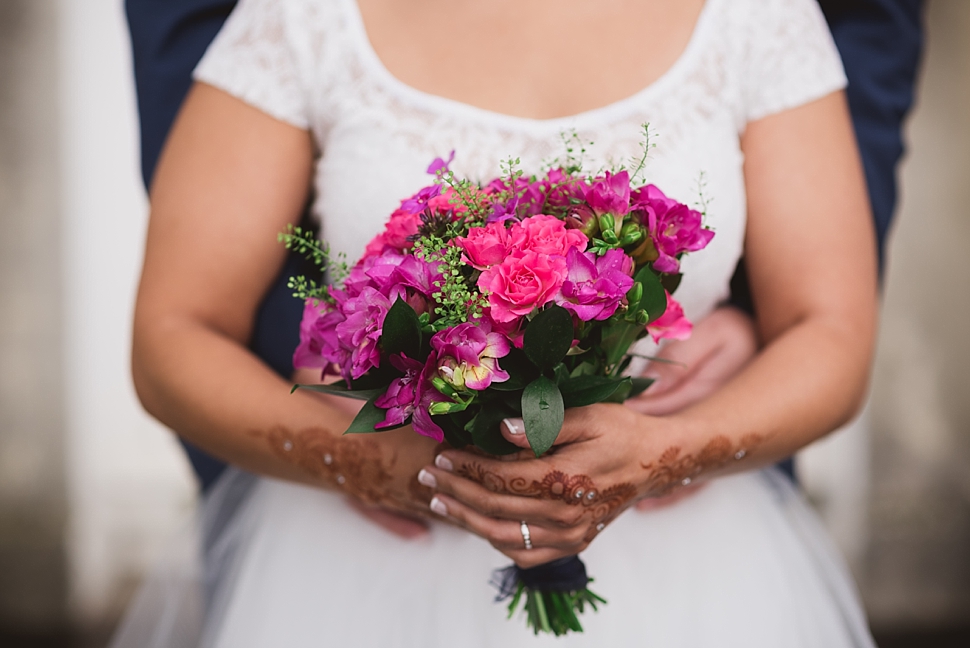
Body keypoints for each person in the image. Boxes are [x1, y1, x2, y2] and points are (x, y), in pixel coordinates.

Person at [115, 0, 890, 645]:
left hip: (690, 562)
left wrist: (662, 455)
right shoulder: (308, 18)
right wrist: (387, 469)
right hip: (361, 571)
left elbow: (831, 330)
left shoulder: (758, 17)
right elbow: (173, 335)